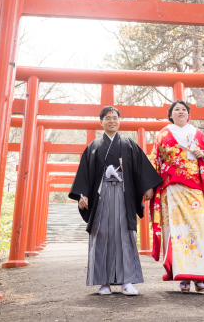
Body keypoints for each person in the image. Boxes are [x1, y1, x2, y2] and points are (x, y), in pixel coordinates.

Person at [69, 106, 163, 296]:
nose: (112, 121)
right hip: (101, 195)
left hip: (123, 193)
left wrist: (147, 186)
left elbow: (140, 168)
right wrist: (82, 194)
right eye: (108, 118)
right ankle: (103, 282)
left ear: (119, 121)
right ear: (101, 122)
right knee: (101, 233)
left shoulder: (129, 144)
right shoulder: (93, 147)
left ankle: (127, 281)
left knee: (125, 234)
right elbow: (84, 174)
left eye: (115, 118)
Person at [149, 100, 204, 293]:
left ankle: (201, 276)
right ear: (170, 115)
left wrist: (203, 153)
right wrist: (150, 187)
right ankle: (184, 276)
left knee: (199, 230)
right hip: (172, 188)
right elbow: (155, 160)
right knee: (177, 232)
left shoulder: (198, 133)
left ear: (189, 115)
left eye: (184, 110)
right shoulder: (162, 134)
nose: (181, 112)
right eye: (176, 110)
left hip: (195, 188)